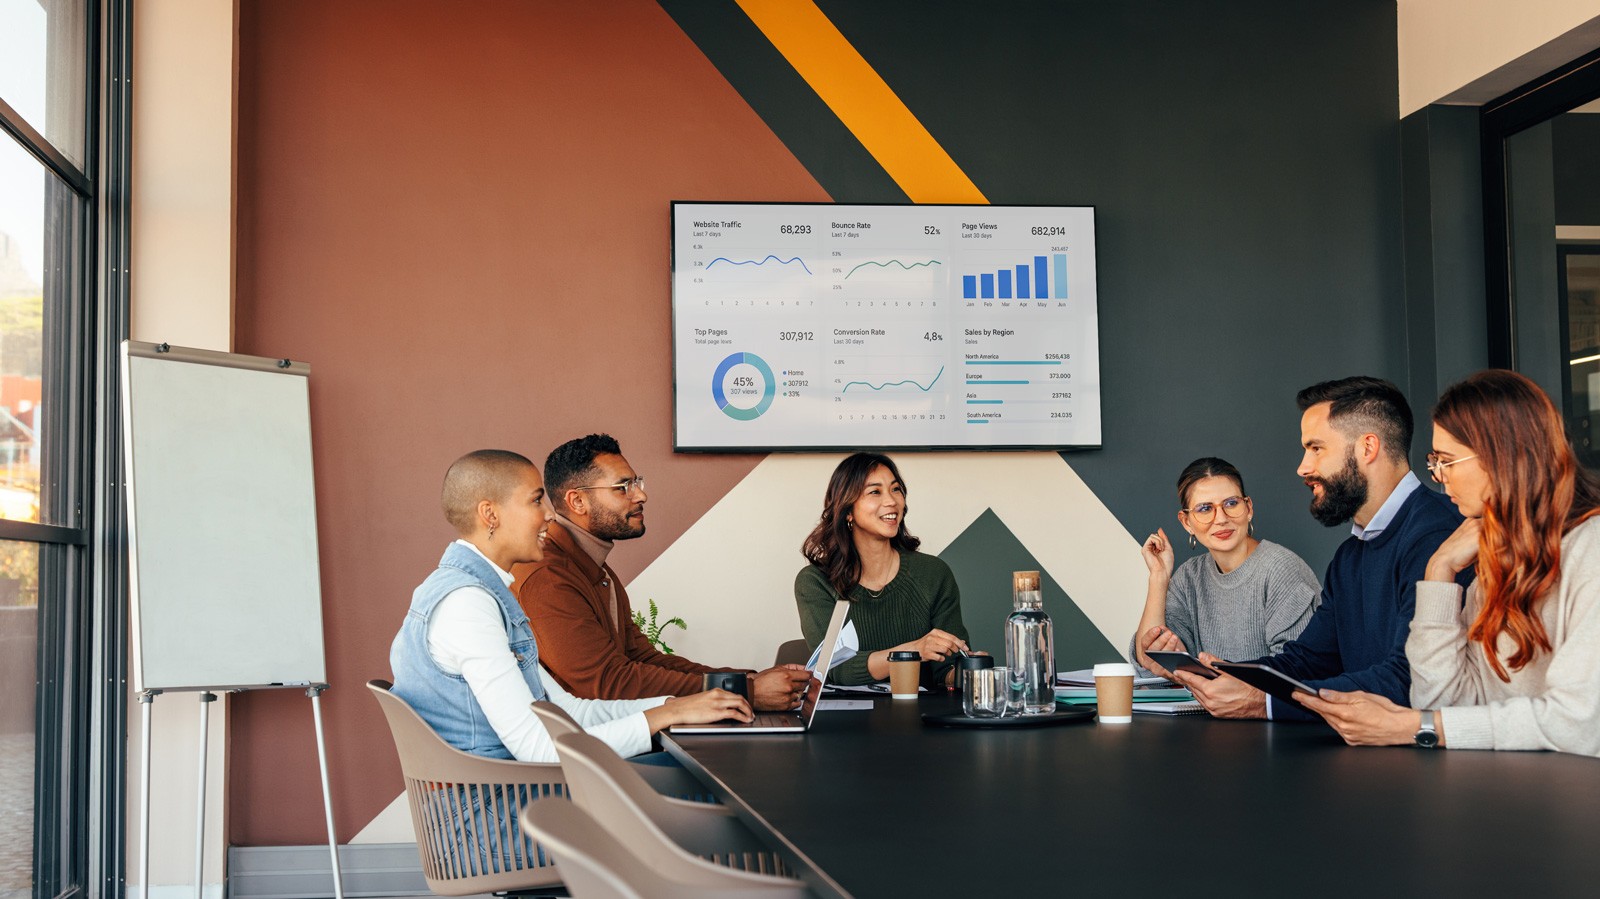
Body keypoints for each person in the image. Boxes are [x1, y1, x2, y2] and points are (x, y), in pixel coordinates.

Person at [1297, 371, 1600, 755]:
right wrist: (1439, 572)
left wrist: (1415, 726)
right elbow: (1439, 699)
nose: (1440, 478)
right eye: (1435, 461)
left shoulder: (1591, 549)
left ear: (1501, 457)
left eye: (1447, 461)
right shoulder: (1489, 562)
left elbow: (1580, 722)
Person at [389, 449, 750, 763]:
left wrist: (674, 707)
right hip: (504, 812)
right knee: (714, 795)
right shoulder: (467, 604)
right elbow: (538, 747)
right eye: (535, 500)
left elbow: (570, 711)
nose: (549, 515)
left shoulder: (482, 594)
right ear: (490, 514)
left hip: (523, 795)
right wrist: (659, 718)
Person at [1174, 377, 1465, 721]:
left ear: (1367, 448)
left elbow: (1409, 680)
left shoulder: (1440, 536)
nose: (1303, 467)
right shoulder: (1349, 557)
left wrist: (1263, 704)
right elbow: (1308, 660)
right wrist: (1230, 674)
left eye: (1316, 448)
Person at [517, 434, 811, 710]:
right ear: (577, 501)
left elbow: (640, 657)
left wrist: (747, 680)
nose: (640, 496)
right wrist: (744, 691)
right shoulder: (548, 578)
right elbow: (607, 682)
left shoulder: (595, 569)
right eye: (623, 487)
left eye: (637, 483)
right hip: (585, 753)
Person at [1131, 457, 1320, 678]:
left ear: (1248, 508)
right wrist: (1159, 578)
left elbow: (1297, 672)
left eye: (1231, 503)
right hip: (1208, 711)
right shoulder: (1189, 578)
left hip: (1275, 712)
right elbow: (1150, 663)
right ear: (1186, 522)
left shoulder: (1282, 570)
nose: (1221, 519)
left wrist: (1216, 675)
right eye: (1204, 508)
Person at [795, 452, 970, 686]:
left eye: (896, 489)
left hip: (920, 716)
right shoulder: (815, 582)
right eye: (875, 492)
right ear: (848, 510)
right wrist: (914, 650)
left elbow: (946, 670)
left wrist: (967, 673)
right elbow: (834, 669)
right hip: (846, 720)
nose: (891, 501)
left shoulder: (933, 573)